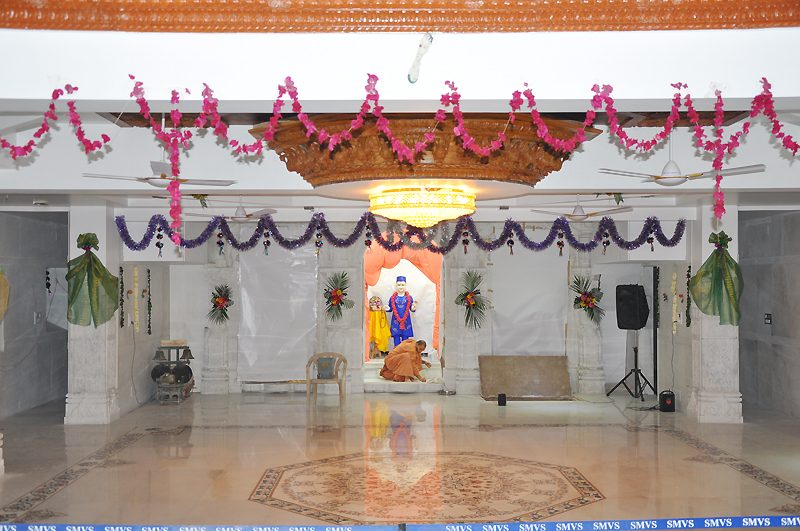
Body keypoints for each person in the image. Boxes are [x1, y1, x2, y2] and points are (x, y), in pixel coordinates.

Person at [383, 276, 418, 348]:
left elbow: (411, 309)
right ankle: (397, 353)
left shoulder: (409, 297)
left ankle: (404, 353)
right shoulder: (393, 298)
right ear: (396, 286)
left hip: (406, 320)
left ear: (406, 286)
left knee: (405, 339)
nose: (401, 287)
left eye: (403, 285)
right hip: (395, 320)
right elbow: (390, 308)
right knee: (396, 337)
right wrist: (387, 308)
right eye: (399, 285)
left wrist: (413, 307)